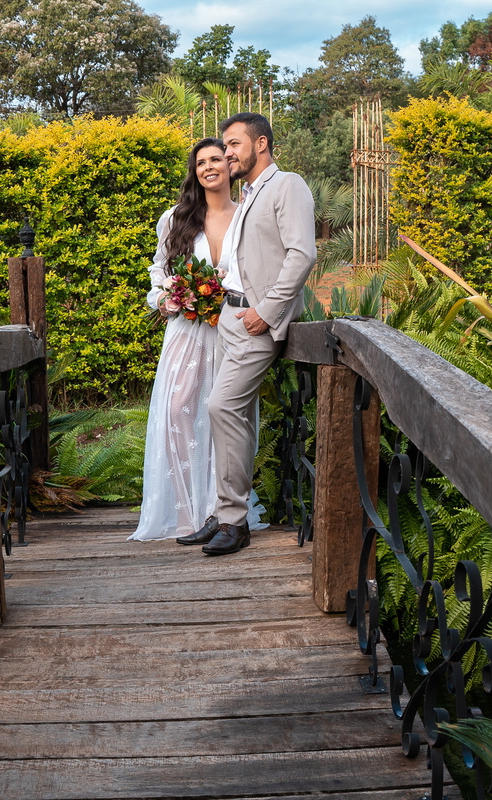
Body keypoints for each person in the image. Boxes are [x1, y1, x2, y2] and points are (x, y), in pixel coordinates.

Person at [177, 112, 316, 556]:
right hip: (229, 319)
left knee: (222, 406)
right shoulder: (250, 194)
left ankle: (235, 523)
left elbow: (302, 253)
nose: (227, 152)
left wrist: (269, 311)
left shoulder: (287, 184)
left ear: (261, 144)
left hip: (255, 321)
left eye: (234, 144)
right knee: (229, 418)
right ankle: (222, 513)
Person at [129, 138, 266, 541]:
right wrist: (165, 297)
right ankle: (187, 510)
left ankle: (218, 511)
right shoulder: (176, 218)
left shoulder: (247, 216)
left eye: (217, 159)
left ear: (230, 165)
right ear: (195, 171)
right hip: (186, 331)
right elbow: (159, 269)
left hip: (232, 330)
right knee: (178, 410)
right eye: (201, 162)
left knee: (222, 416)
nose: (209, 167)